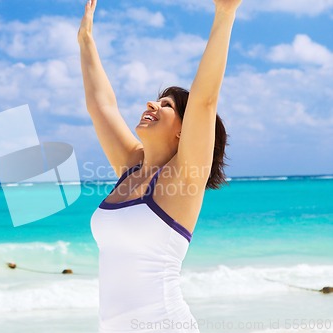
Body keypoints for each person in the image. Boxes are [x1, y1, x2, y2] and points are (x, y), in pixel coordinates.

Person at [78, 0, 242, 332]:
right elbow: (101, 106)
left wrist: (225, 13)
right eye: (156, 99)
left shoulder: (185, 176)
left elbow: (204, 100)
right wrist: (85, 41)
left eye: (166, 105)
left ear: (185, 129)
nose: (151, 103)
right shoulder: (130, 168)